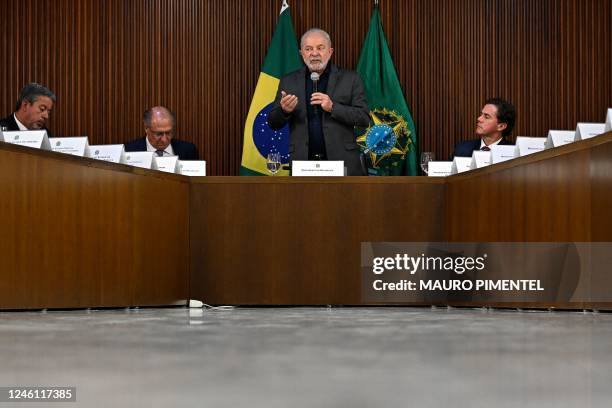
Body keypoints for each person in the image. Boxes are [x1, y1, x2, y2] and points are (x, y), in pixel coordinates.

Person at [267, 28, 370, 176]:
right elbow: (273, 123)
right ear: (302, 53)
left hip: (343, 163)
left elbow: (364, 118)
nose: (314, 53)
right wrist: (284, 111)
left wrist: (333, 107)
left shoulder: (351, 79)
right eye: (308, 49)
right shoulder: (289, 81)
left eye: (320, 48)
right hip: (303, 164)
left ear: (330, 51)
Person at [125, 106, 199, 160]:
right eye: (159, 134)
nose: (164, 139)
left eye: (168, 133)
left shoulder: (188, 150)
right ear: (146, 128)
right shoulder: (128, 150)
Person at [452, 98, 516, 158]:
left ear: (501, 126)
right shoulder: (462, 149)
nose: (479, 119)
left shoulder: (514, 153)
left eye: (486, 117)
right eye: (481, 114)